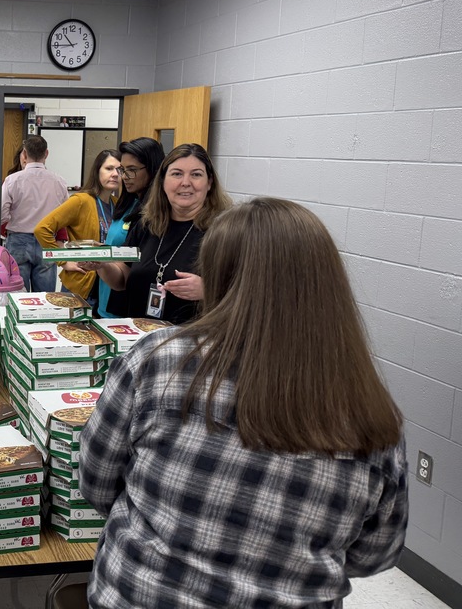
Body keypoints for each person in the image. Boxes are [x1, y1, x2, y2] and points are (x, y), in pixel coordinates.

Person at [80, 197, 408, 608]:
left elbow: (96, 482)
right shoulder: (370, 411)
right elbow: (374, 555)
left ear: (217, 276)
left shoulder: (157, 360)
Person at [90, 143, 230, 324]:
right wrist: (102, 264)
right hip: (139, 335)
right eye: (177, 174)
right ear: (163, 181)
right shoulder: (146, 224)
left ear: (209, 182)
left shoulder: (225, 231)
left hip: (192, 338)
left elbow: (251, 294)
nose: (185, 182)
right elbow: (122, 279)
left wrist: (208, 290)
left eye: (196, 174)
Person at [34, 149, 122, 310]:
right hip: (81, 285)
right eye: (109, 168)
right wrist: (63, 261)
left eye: (119, 169)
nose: (115, 174)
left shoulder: (117, 204)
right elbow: (42, 229)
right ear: (97, 171)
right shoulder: (81, 200)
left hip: (107, 287)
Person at [98, 137, 164, 318]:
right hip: (107, 294)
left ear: (153, 169)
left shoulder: (155, 213)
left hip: (128, 306)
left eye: (132, 170)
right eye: (123, 170)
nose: (125, 176)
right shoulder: (129, 203)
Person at [1, 135, 68, 292]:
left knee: (18, 294)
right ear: (46, 153)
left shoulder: (12, 180)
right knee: (45, 296)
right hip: (47, 240)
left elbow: (2, 214)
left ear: (24, 154)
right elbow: (66, 215)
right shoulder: (59, 182)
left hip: (18, 240)